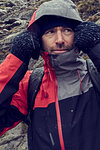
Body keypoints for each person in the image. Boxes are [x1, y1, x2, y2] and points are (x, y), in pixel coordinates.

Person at [0, 0, 100, 149]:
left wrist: (97, 48)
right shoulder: (30, 85)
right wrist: (16, 60)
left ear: (78, 34)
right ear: (39, 40)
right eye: (50, 32)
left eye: (67, 30)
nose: (59, 40)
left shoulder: (94, 75)